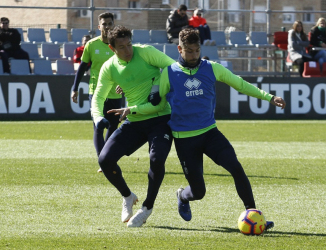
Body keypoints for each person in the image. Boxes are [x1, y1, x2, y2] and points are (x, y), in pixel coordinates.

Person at [109, 28, 286, 228]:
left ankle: (253, 215)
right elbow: (158, 105)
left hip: (210, 133)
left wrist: (269, 97)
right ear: (180, 49)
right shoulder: (169, 73)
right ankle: (183, 196)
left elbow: (240, 84)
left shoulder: (212, 68)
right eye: (189, 51)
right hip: (185, 140)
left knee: (236, 167)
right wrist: (133, 109)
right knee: (198, 192)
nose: (194, 55)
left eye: (197, 50)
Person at [91, 25, 176, 227]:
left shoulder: (146, 52)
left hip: (161, 119)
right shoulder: (109, 67)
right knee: (105, 160)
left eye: (129, 44)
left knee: (156, 159)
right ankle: (128, 196)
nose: (128, 50)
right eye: (121, 47)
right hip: (134, 119)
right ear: (112, 48)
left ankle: (147, 207)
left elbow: (174, 68)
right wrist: (97, 118)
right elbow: (98, 97)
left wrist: (157, 84)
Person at [71, 12, 122, 173]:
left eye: (109, 23)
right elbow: (81, 68)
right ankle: (103, 161)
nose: (107, 27)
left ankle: (106, 158)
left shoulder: (119, 45)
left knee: (113, 127)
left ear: (114, 25)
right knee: (98, 126)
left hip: (115, 92)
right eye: (104, 24)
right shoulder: (91, 45)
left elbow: (125, 67)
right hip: (96, 92)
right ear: (99, 26)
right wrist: (75, 88)